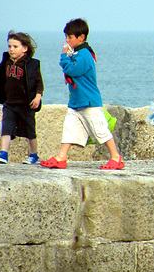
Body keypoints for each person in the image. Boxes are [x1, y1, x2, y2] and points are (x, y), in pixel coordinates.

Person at [40, 18, 125, 170]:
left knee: (100, 130)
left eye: (69, 37)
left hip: (89, 102)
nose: (67, 40)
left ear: (81, 37)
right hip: (77, 102)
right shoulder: (78, 54)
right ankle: (61, 157)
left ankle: (116, 157)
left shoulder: (85, 54)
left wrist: (64, 57)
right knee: (69, 129)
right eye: (66, 37)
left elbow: (73, 70)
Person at [0, 30, 43, 164]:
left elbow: (39, 83)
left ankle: (34, 155)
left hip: (26, 104)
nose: (11, 49)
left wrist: (38, 97)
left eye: (15, 47)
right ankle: (4, 153)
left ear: (25, 48)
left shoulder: (31, 65)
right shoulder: (7, 63)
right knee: (7, 127)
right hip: (10, 103)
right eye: (10, 46)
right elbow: (0, 82)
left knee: (30, 131)